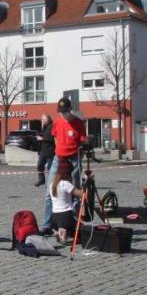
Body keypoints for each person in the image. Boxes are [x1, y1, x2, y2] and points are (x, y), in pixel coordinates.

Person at [41, 97, 86, 233]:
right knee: (50, 191)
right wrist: (58, 150)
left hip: (73, 158)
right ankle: (47, 224)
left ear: (70, 110)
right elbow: (55, 137)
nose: (62, 114)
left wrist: (79, 157)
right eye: (60, 112)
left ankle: (72, 223)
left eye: (65, 112)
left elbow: (83, 142)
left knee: (75, 190)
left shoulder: (78, 123)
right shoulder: (57, 123)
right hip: (58, 158)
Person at [49, 160, 84, 243]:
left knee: (70, 226)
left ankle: (61, 231)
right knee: (83, 232)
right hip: (66, 217)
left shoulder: (52, 184)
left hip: (54, 218)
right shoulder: (65, 184)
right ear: (67, 173)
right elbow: (81, 195)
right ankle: (64, 231)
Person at [35, 114, 55, 186]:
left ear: (47, 120)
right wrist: (39, 134)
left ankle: (51, 182)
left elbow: (52, 138)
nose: (42, 121)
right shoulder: (45, 127)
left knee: (50, 167)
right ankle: (41, 179)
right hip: (43, 151)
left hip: (50, 151)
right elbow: (42, 134)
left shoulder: (52, 126)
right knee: (40, 165)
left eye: (43, 120)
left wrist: (42, 138)